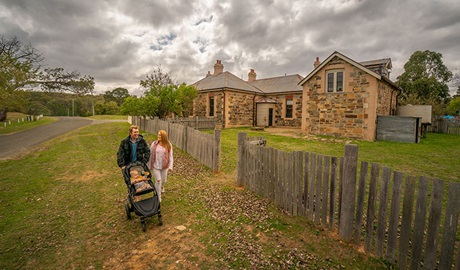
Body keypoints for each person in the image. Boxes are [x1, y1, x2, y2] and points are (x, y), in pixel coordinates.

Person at [149, 129, 173, 202]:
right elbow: (150, 155)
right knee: (158, 181)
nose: (158, 136)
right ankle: (158, 196)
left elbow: (171, 156)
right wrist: (149, 166)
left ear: (163, 136)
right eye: (158, 134)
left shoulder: (168, 144)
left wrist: (170, 166)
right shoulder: (154, 144)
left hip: (164, 166)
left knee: (163, 180)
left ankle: (162, 187)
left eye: (160, 135)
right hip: (155, 166)